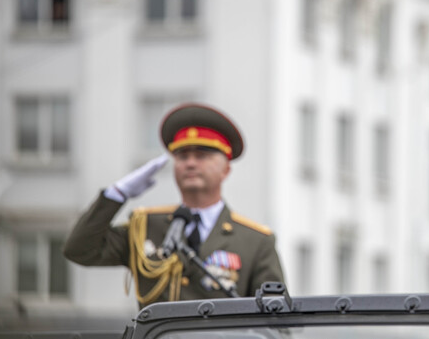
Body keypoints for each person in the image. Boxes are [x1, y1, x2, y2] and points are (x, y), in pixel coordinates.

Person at [64, 103, 286, 307]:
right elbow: (80, 250)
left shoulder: (255, 241)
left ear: (225, 169)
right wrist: (116, 195)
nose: (190, 163)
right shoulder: (146, 227)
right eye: (182, 156)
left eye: (201, 156)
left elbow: (276, 319)